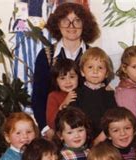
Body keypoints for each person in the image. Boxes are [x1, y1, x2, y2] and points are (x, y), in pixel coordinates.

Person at [31, 2, 100, 131]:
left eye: (77, 21)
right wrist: (46, 129)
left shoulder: (94, 56)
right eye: (65, 20)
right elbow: (38, 97)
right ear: (57, 24)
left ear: (84, 25)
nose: (71, 26)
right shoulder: (46, 55)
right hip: (55, 128)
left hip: (88, 128)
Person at [71, 47, 117, 144]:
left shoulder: (109, 94)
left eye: (100, 67)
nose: (95, 71)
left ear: (106, 73)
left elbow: (112, 120)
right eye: (90, 67)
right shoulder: (76, 93)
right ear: (82, 72)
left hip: (104, 141)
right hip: (80, 141)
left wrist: (100, 139)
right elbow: (71, 120)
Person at [115, 46, 136, 144]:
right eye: (134, 67)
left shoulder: (133, 86)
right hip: (133, 140)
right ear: (124, 68)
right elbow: (132, 118)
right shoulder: (128, 91)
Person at [45, 59, 79, 139]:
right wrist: (64, 103)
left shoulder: (82, 93)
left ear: (78, 77)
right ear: (56, 81)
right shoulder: (53, 96)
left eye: (72, 77)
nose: (68, 81)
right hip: (61, 138)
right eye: (62, 78)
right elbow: (51, 123)